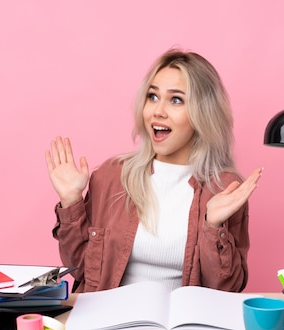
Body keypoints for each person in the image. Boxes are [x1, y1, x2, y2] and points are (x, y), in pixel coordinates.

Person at [45, 48, 262, 293]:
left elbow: (226, 289)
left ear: (203, 112)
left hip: (183, 327)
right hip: (109, 322)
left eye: (176, 99)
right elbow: (80, 269)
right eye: (153, 96)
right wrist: (71, 202)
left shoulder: (224, 188)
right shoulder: (111, 176)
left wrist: (213, 226)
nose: (158, 111)